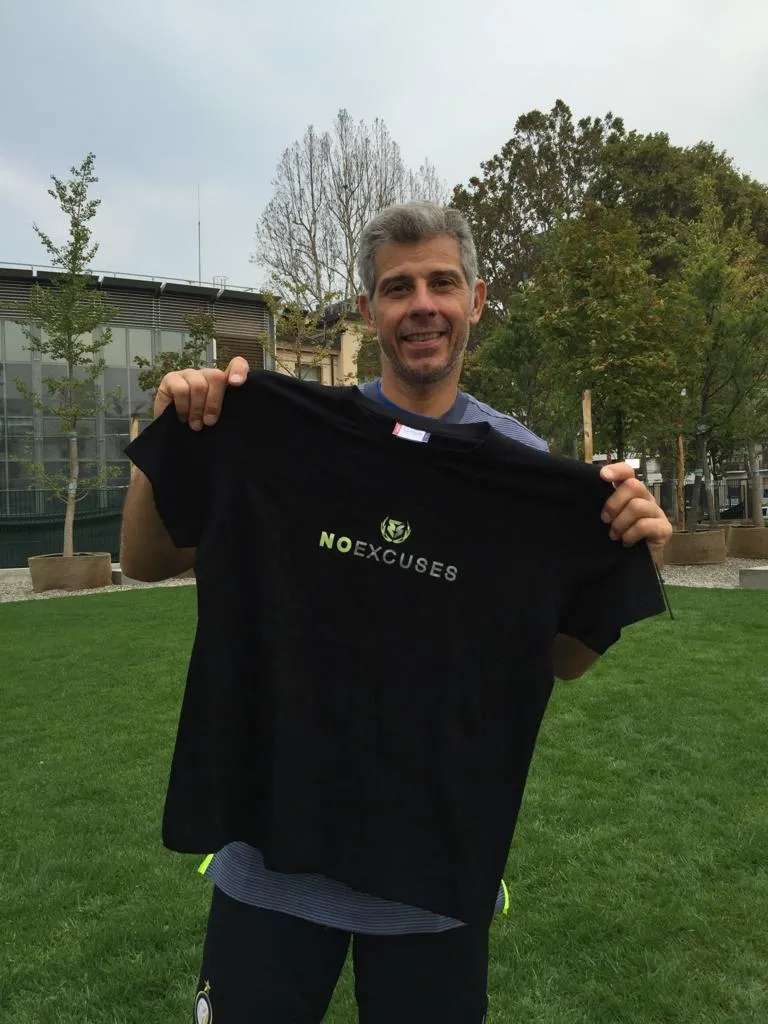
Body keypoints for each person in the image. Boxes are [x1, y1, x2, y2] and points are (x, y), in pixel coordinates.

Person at [120, 202, 672, 1023]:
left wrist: (635, 553)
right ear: (368, 308)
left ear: (475, 299)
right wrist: (173, 436)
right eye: (397, 287)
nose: (422, 305)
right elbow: (144, 561)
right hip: (271, 857)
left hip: (435, 874)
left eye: (442, 283)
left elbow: (562, 658)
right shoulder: (281, 438)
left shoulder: (526, 473)